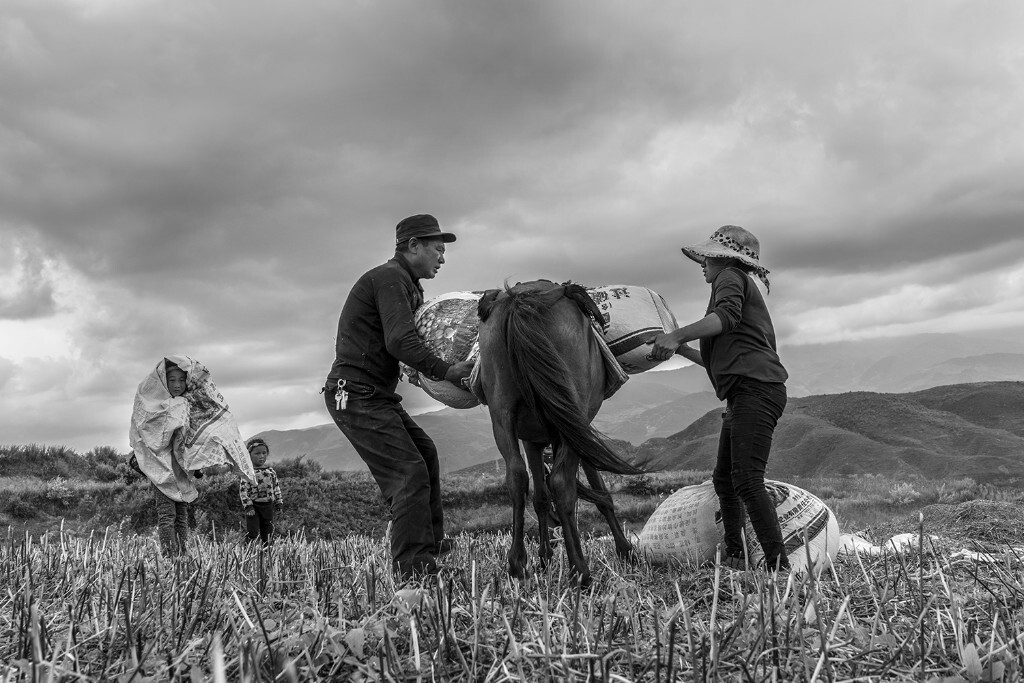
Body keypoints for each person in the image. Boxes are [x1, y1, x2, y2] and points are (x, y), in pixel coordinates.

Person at [324, 214, 474, 580]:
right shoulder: (390, 279)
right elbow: (400, 342)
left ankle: (431, 542)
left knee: (425, 454)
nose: (442, 258)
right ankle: (413, 566)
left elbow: (399, 344)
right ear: (413, 246)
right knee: (407, 474)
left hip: (373, 393)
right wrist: (445, 370)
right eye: (437, 250)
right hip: (355, 394)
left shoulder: (406, 284)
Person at [648, 225, 790, 571]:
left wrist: (675, 335)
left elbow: (724, 318)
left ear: (723, 257)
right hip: (747, 391)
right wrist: (681, 348)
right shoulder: (734, 280)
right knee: (725, 480)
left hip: (756, 389)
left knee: (746, 478)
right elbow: (717, 358)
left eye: (708, 256)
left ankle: (777, 567)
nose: (703, 263)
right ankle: (737, 554)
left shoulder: (730, 276)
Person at [129, 355, 256, 558]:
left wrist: (197, 462)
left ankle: (182, 554)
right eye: (172, 380)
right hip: (159, 466)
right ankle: (170, 555)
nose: (177, 384)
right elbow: (148, 434)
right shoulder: (154, 405)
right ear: (163, 381)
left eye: (181, 380)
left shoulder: (187, 404)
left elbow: (192, 438)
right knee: (167, 514)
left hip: (178, 469)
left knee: (181, 514)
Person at [240, 437, 283, 546]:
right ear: (249, 455)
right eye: (257, 453)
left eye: (264, 453)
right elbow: (243, 490)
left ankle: (267, 552)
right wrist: (248, 506)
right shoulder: (247, 473)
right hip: (253, 507)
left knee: (268, 532)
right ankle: (248, 552)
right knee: (253, 531)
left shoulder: (270, 471)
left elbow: (276, 487)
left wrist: (279, 502)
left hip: (268, 506)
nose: (261, 456)